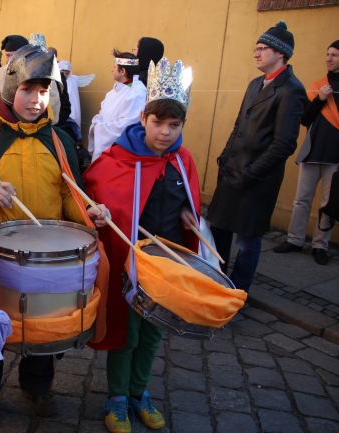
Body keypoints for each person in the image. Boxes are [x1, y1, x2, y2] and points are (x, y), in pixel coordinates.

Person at [0, 44, 108, 416]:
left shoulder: (59, 140)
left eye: (43, 91)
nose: (36, 99)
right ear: (9, 88)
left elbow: (69, 194)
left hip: (47, 259)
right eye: (27, 90)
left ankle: (38, 386)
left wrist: (89, 211)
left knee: (43, 326)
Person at [84, 57, 199, 433]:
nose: (165, 132)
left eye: (174, 124)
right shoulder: (119, 157)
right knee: (127, 330)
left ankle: (139, 392)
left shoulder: (183, 160)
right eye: (157, 122)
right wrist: (97, 213)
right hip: (130, 260)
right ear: (144, 118)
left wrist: (187, 214)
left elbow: (187, 199)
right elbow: (96, 189)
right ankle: (117, 397)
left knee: (153, 331)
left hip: (167, 260)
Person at [207, 21, 307, 291]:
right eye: (256, 48)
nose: (256, 53)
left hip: (256, 179)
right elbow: (239, 126)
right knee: (219, 231)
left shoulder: (291, 90)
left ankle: (238, 292)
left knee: (247, 240)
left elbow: (284, 144)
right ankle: (217, 283)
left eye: (263, 48)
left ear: (280, 53)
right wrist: (224, 158)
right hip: (231, 172)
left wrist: (250, 174)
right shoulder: (255, 84)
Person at [273, 40, 339, 265]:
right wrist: (320, 100)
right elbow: (305, 120)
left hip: (336, 156)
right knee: (301, 200)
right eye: (327, 54)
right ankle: (295, 239)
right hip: (313, 151)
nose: (329, 58)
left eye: (335, 55)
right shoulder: (318, 85)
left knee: (328, 204)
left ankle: (321, 245)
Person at [0, 34, 62, 124]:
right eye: (8, 55)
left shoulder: (43, 74)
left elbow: (53, 106)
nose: (11, 59)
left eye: (14, 55)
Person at [88, 51, 146, 162]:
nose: (112, 70)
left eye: (114, 67)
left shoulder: (138, 93)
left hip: (120, 155)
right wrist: (97, 123)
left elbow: (127, 126)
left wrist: (99, 128)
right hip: (105, 148)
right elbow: (101, 113)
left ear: (123, 71)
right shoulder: (113, 92)